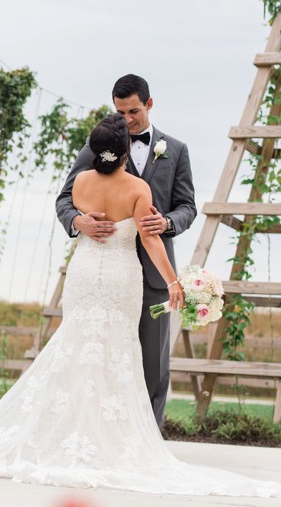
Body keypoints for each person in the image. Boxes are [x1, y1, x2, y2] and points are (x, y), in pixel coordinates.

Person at [0, 114, 281, 497]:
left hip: (84, 274)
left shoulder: (81, 184)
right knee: (117, 356)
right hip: (119, 279)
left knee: (74, 351)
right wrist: (173, 281)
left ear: (95, 151)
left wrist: (82, 221)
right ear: (126, 150)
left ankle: (64, 436)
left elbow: (78, 210)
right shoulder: (138, 188)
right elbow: (149, 238)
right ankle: (107, 442)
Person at [57, 74, 196, 427]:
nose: (127, 119)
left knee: (152, 360)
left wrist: (166, 223)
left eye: (133, 111)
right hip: (104, 265)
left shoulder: (176, 150)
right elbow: (64, 199)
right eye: (120, 111)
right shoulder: (97, 146)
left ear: (149, 104)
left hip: (149, 272)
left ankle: (149, 438)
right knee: (96, 354)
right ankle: (96, 430)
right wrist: (79, 222)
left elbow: (187, 206)